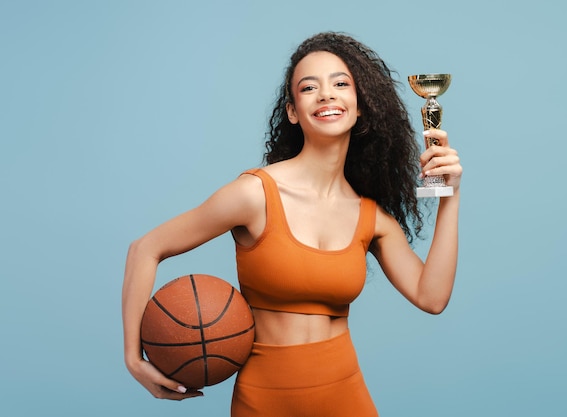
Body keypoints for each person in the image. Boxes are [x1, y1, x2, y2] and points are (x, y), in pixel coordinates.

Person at [122, 31, 462, 416]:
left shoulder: (371, 217)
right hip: (264, 398)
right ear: (292, 111)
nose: (326, 94)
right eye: (309, 87)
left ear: (360, 105)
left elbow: (431, 298)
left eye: (340, 83)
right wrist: (134, 359)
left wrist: (451, 196)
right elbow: (146, 248)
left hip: (345, 396)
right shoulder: (254, 194)